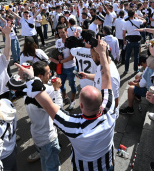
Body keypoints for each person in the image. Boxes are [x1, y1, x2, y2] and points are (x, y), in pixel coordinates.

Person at [17, 38, 116, 171]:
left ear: (81, 106)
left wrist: (30, 78)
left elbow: (49, 106)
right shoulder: (109, 110)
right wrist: (103, 53)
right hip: (107, 165)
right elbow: (106, 77)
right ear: (101, 101)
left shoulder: (73, 125)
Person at [24, 61, 62, 171]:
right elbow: (58, 110)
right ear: (40, 76)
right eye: (48, 73)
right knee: (52, 166)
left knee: (45, 161)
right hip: (48, 137)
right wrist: (56, 90)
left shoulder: (28, 89)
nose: (51, 75)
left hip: (37, 134)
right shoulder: (47, 90)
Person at [49, 25, 77, 108]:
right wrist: (58, 57)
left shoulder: (71, 41)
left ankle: (73, 100)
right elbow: (58, 52)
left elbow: (72, 57)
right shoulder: (58, 41)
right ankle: (65, 98)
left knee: (72, 84)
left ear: (67, 32)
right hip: (60, 68)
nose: (61, 34)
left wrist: (59, 61)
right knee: (60, 84)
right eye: (59, 32)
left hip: (71, 67)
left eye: (63, 32)